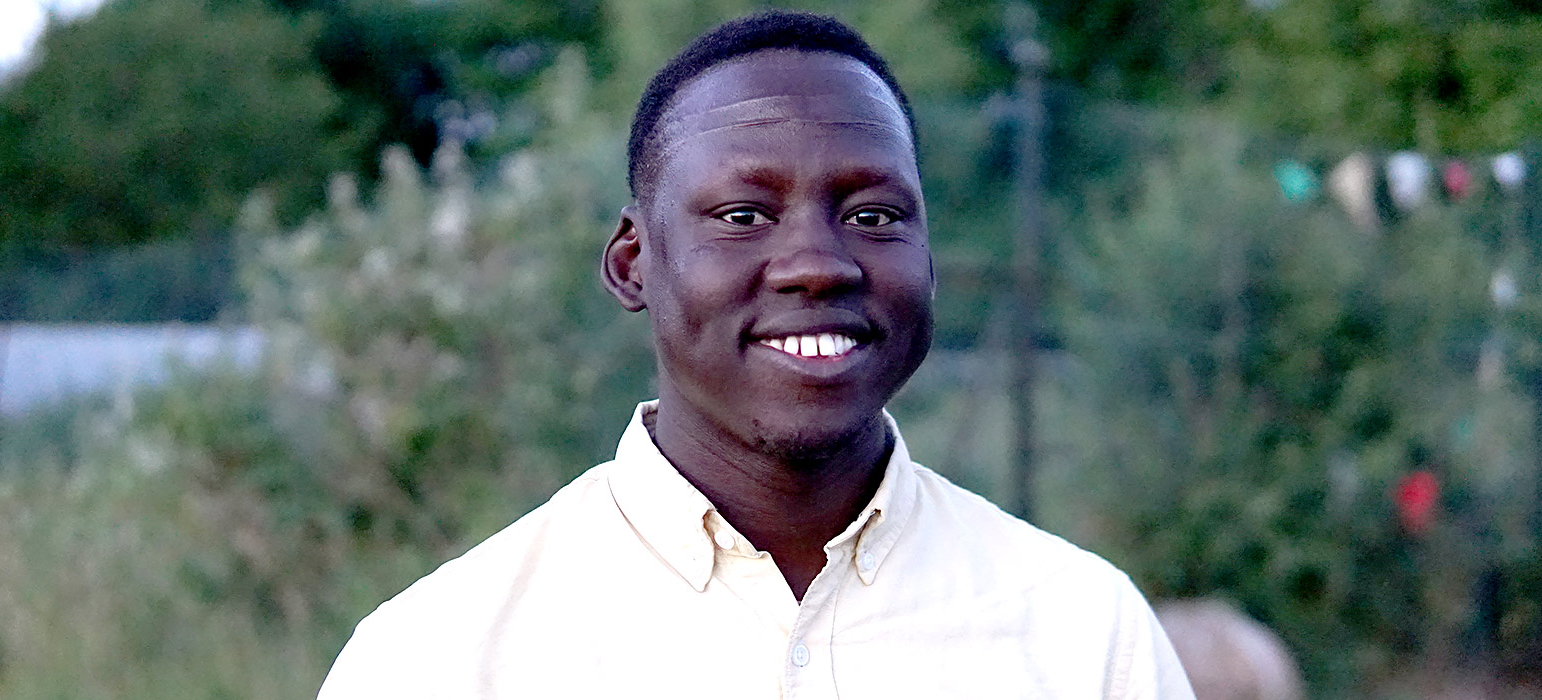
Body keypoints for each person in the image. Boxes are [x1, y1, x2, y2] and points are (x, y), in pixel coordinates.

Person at [318, 10, 1195, 698]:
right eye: (742, 216)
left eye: (874, 216)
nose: (818, 263)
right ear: (634, 264)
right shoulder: (439, 660)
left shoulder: (1083, 635)